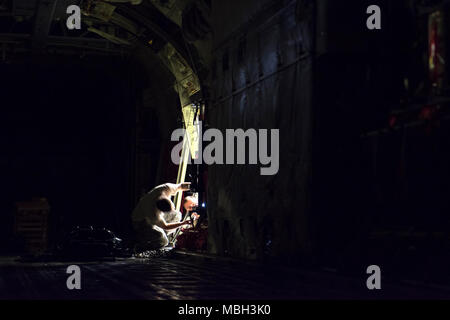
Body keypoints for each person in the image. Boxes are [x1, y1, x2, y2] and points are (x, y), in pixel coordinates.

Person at [132, 182, 192, 251]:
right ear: (161, 211)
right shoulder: (153, 214)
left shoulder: (165, 188)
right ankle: (140, 247)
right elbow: (166, 226)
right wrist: (182, 223)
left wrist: (194, 185)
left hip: (151, 215)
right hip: (141, 222)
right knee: (163, 242)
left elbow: (181, 186)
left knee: (177, 214)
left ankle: (160, 233)